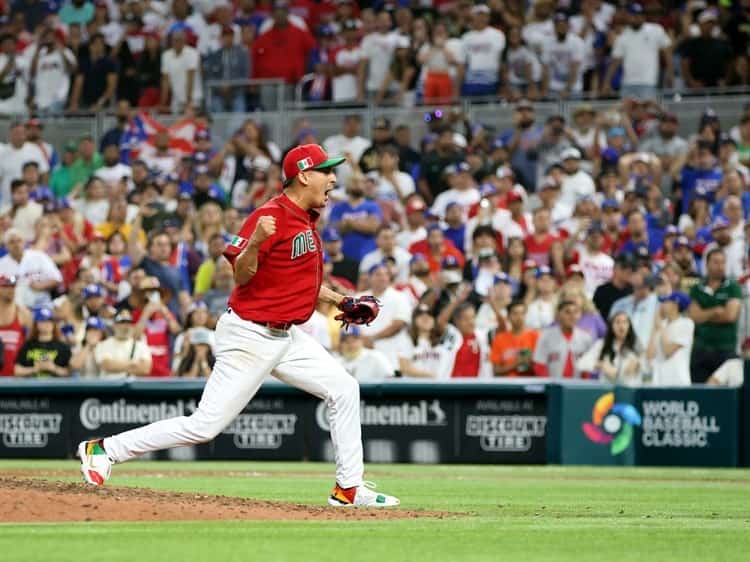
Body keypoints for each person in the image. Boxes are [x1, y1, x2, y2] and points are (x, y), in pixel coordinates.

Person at [77, 144, 400, 508]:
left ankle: (349, 488)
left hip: (286, 336)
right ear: (304, 175)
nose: (333, 179)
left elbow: (297, 280)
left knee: (344, 388)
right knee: (204, 426)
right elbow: (242, 274)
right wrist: (258, 240)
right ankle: (105, 449)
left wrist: (340, 300)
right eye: (326, 172)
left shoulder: (308, 217)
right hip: (250, 334)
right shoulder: (269, 215)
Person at [688, 248, 742, 384]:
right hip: (700, 350)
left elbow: (730, 316)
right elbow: (694, 317)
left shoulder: (733, 287)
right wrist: (715, 311)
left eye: (723, 263)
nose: (720, 266)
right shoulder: (696, 288)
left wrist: (704, 314)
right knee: (698, 394)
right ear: (707, 264)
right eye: (716, 262)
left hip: (726, 350)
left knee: (727, 396)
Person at [602, 3, 672, 100]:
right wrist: (607, 82)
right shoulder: (623, 36)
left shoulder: (655, 30)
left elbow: (667, 51)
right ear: (628, 17)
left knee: (648, 113)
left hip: (648, 82)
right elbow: (615, 62)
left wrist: (670, 72)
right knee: (626, 113)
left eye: (639, 15)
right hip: (628, 83)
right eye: (633, 15)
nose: (637, 18)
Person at [356, 263, 411, 369]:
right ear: (369, 278)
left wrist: (372, 338)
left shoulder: (400, 297)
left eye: (386, 274)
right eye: (378, 274)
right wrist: (361, 339)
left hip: (392, 352)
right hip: (364, 352)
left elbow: (398, 324)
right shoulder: (358, 298)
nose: (383, 278)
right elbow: (351, 324)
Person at [578, 311, 644, 386]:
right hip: (607, 389)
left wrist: (638, 363)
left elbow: (648, 366)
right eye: (617, 322)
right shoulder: (602, 344)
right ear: (611, 326)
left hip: (630, 389)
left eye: (625, 322)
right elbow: (581, 364)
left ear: (629, 326)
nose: (621, 326)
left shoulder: (637, 345)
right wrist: (601, 365)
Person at [533, 300, 593, 379]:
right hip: (552, 386)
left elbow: (587, 369)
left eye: (576, 312)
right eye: (567, 312)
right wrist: (549, 385)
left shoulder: (586, 338)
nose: (572, 316)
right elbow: (539, 365)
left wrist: (583, 386)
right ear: (558, 315)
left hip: (578, 386)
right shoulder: (546, 336)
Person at [647, 292, 694, 387]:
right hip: (658, 381)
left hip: (678, 381)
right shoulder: (661, 324)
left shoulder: (686, 324)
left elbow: (668, 351)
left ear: (675, 304)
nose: (662, 305)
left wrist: (659, 327)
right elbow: (649, 355)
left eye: (666, 302)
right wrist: (654, 327)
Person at [92, 309, 152, 379]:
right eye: (122, 322)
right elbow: (107, 365)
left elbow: (145, 369)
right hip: (110, 387)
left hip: (133, 388)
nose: (126, 326)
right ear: (114, 325)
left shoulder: (141, 346)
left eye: (129, 322)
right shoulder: (103, 345)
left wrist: (117, 365)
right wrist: (133, 363)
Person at [203, 25, 250, 113]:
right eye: (225, 36)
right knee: (215, 107)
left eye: (229, 36)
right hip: (218, 93)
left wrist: (231, 85)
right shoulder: (215, 55)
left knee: (239, 109)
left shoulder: (242, 54)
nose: (227, 38)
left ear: (233, 37)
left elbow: (246, 75)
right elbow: (210, 75)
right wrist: (220, 86)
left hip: (236, 91)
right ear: (221, 38)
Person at [14, 307, 70, 378]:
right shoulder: (28, 346)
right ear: (36, 324)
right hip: (32, 387)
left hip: (55, 388)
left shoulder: (62, 347)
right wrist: (35, 369)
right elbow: (17, 370)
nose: (46, 324)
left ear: (54, 324)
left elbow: (69, 372)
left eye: (49, 320)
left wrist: (53, 368)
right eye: (42, 320)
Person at [398, 304, 449, 379]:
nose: (426, 317)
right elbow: (404, 368)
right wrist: (430, 376)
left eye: (429, 314)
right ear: (414, 320)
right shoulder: (406, 340)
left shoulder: (441, 343)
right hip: (413, 387)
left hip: (436, 387)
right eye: (420, 315)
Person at [490, 300, 539, 377]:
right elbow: (495, 370)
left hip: (529, 384)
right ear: (508, 317)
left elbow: (541, 368)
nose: (519, 317)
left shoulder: (535, 336)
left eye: (522, 313)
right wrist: (515, 364)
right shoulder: (499, 339)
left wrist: (529, 364)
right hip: (506, 386)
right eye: (515, 314)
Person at [161, 27, 202, 113]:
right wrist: (163, 102)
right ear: (171, 41)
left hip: (193, 98)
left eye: (179, 40)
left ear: (184, 40)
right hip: (176, 99)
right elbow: (165, 80)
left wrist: (188, 101)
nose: (177, 42)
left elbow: (190, 78)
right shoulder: (166, 55)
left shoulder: (192, 53)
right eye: (175, 40)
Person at [0, 274, 31, 377]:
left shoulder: (24, 313)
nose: (10, 290)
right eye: (5, 286)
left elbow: (30, 344)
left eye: (13, 286)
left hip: (16, 375)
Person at [593, 254, 633, 320]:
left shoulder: (633, 292)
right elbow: (593, 315)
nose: (628, 270)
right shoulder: (602, 291)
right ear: (615, 269)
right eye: (624, 267)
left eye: (631, 268)